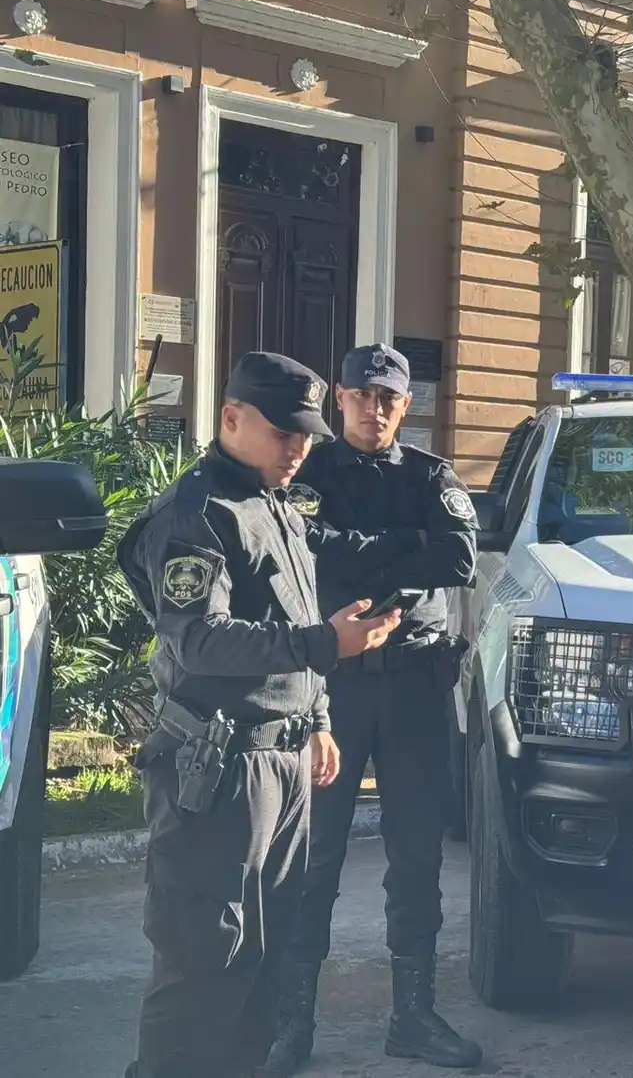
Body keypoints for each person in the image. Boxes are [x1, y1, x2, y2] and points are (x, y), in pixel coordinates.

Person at [117, 352, 410, 1078]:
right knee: (205, 958)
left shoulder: (277, 502)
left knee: (267, 958)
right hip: (218, 770)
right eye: (283, 432)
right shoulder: (197, 514)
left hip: (283, 759)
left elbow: (296, 612)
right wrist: (325, 646)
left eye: (306, 434)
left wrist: (319, 716)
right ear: (231, 418)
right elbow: (199, 639)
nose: (298, 447)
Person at [262, 343, 481, 1074]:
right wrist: (406, 543)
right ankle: (291, 1022)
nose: (374, 408)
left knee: (416, 854)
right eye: (362, 394)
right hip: (334, 687)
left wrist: (359, 551)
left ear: (405, 405)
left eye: (388, 397)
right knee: (314, 853)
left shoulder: (430, 476)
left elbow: (458, 559)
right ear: (341, 398)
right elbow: (304, 551)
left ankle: (414, 1016)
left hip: (414, 684)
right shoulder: (310, 472)